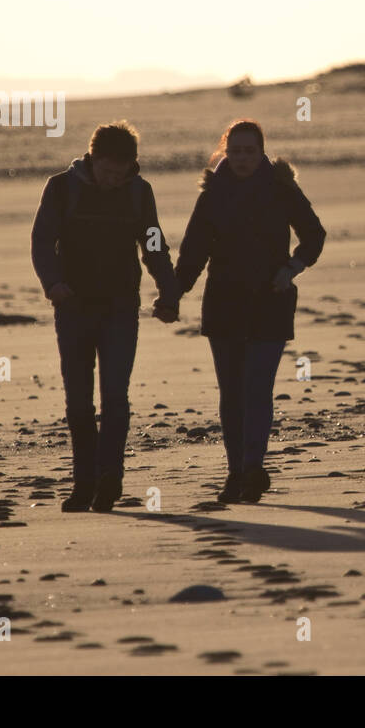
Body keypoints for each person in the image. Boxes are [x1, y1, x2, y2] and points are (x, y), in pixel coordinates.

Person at [30, 121, 180, 513]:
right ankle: (84, 483)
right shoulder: (61, 188)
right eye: (107, 171)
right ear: (92, 159)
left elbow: (153, 243)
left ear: (132, 165)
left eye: (121, 172)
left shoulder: (138, 192)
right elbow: (42, 241)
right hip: (73, 308)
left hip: (119, 309)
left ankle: (110, 481)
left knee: (115, 397)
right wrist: (53, 284)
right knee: (78, 402)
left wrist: (169, 290)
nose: (114, 179)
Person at [174, 119, 326, 503]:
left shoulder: (281, 188)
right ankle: (236, 472)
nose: (242, 158)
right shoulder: (213, 193)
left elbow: (314, 235)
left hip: (269, 302)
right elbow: (193, 251)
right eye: (235, 151)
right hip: (223, 302)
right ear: (225, 151)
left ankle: (253, 468)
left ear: (262, 153)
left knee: (257, 389)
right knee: (231, 393)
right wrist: (173, 293)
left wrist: (291, 269)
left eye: (250, 151)